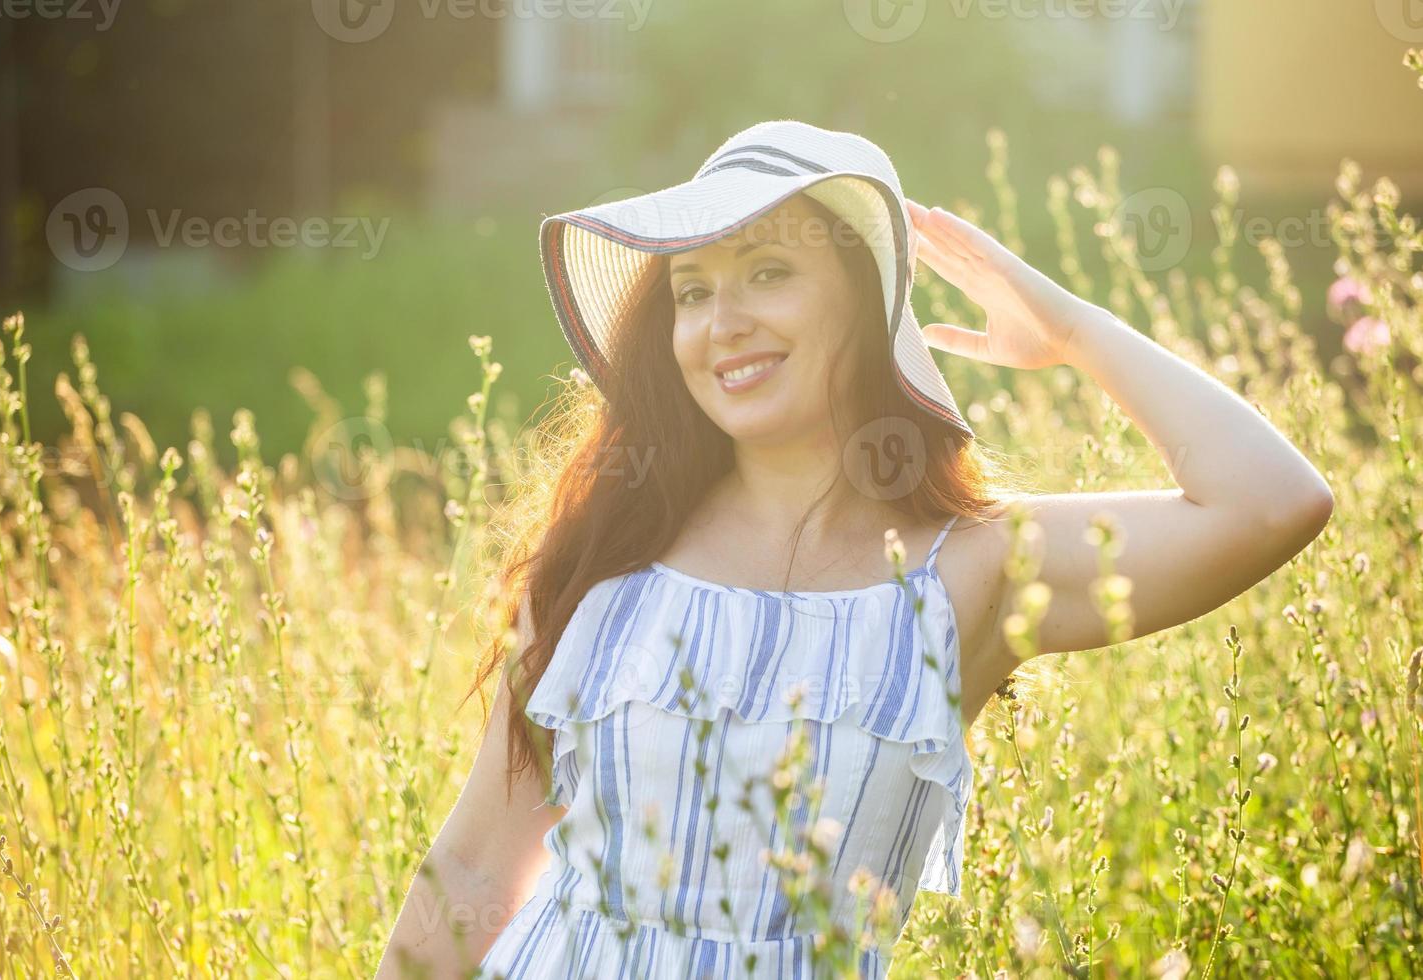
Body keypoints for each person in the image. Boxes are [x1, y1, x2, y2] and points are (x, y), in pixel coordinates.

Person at [375, 120, 1333, 979]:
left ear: (865, 304)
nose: (724, 321)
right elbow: (472, 869)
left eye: (770, 272)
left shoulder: (969, 571)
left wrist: (1071, 331)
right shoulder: (603, 559)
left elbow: (1272, 503)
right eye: (693, 291)